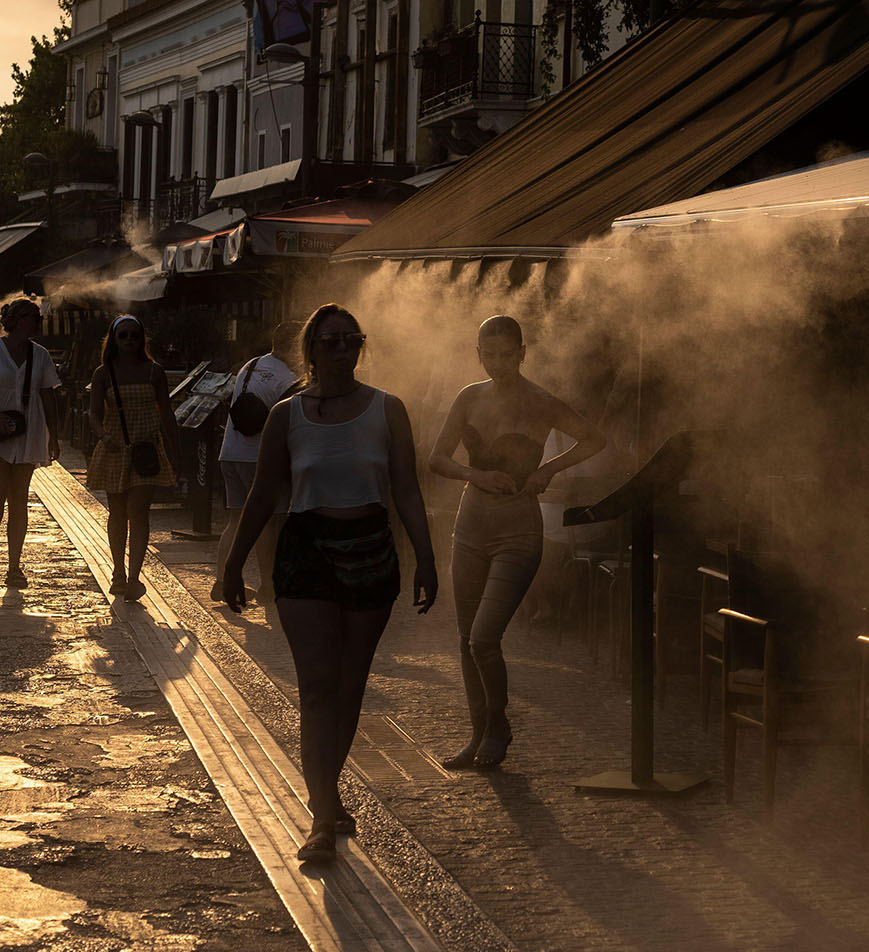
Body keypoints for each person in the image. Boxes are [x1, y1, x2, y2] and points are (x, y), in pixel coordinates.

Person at [220, 304, 438, 864]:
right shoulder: (286, 416)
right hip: (306, 552)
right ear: (311, 350)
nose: (343, 349)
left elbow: (407, 491)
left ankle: (328, 792)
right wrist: (233, 563)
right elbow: (264, 494)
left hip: (370, 549)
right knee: (317, 686)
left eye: (352, 340)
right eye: (332, 341)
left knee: (349, 685)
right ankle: (321, 815)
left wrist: (428, 558)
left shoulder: (389, 410)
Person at [429, 315, 607, 769]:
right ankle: (477, 734)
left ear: (523, 352)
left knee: (485, 637)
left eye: (507, 354)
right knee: (467, 636)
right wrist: (476, 474)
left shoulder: (541, 401)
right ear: (478, 354)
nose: (498, 363)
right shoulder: (469, 396)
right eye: (489, 355)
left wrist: (548, 470)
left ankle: (499, 724)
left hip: (518, 530)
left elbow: (594, 438)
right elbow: (437, 458)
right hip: (470, 525)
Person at [0, 298, 63, 587]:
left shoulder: (40, 355)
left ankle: (15, 567)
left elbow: (48, 396)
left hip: (28, 432)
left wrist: (53, 435)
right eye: (34, 317)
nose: (39, 322)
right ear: (18, 319)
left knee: (19, 500)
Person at [87, 315, 182, 603]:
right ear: (114, 340)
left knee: (138, 511)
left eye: (134, 335)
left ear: (142, 339)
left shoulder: (155, 372)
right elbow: (93, 413)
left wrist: (176, 450)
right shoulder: (104, 373)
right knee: (117, 513)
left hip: (146, 452)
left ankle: (134, 576)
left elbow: (166, 412)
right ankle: (117, 571)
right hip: (115, 449)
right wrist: (104, 436)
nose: (129, 341)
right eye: (123, 336)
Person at [212, 321, 305, 613]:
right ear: (294, 346)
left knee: (235, 520)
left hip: (230, 452)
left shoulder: (251, 365)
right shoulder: (288, 379)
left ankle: (220, 580)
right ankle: (268, 586)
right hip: (259, 458)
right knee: (268, 524)